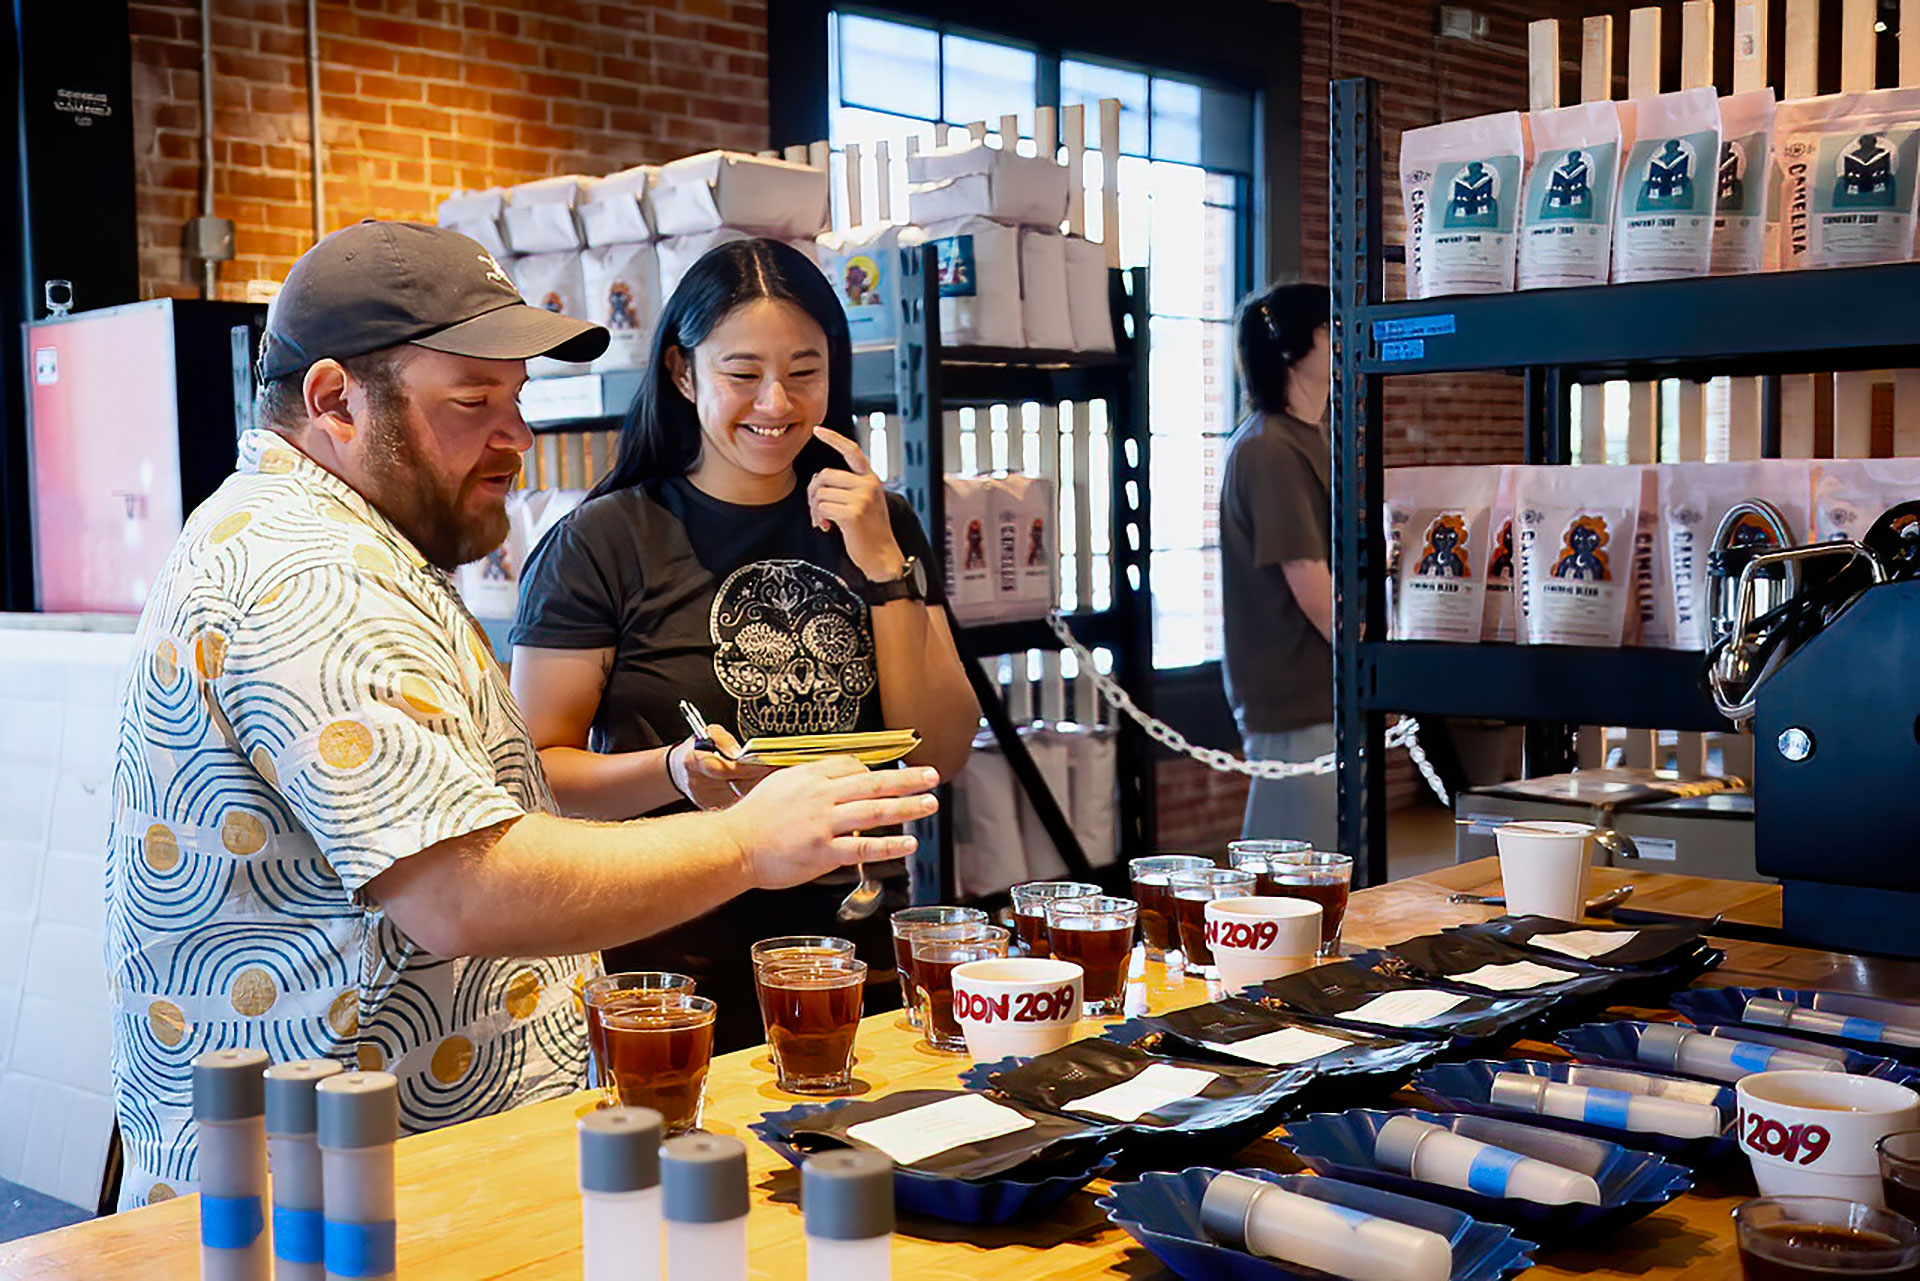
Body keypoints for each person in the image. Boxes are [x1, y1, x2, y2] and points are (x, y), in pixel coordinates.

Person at [104, 221, 939, 1209]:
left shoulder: (333, 543)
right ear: (334, 401)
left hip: (393, 1157)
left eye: (516, 398)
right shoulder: (308, 574)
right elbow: (462, 890)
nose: (515, 436)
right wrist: (748, 842)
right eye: (472, 402)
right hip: (341, 1191)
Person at [509, 238, 977, 1050]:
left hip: (851, 945)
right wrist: (671, 770)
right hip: (670, 955)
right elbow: (537, 772)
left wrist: (881, 565)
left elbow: (939, 747)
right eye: (742, 372)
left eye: (805, 371)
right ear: (683, 374)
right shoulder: (603, 540)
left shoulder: (880, 521)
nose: (777, 401)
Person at [1217, 282, 1337, 849]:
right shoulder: (1268, 449)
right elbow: (1311, 581)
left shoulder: (1309, 438)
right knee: (1289, 870)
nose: (1341, 340)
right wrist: (1371, 655)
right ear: (1292, 350)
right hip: (1295, 693)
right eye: (1327, 329)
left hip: (1322, 687)